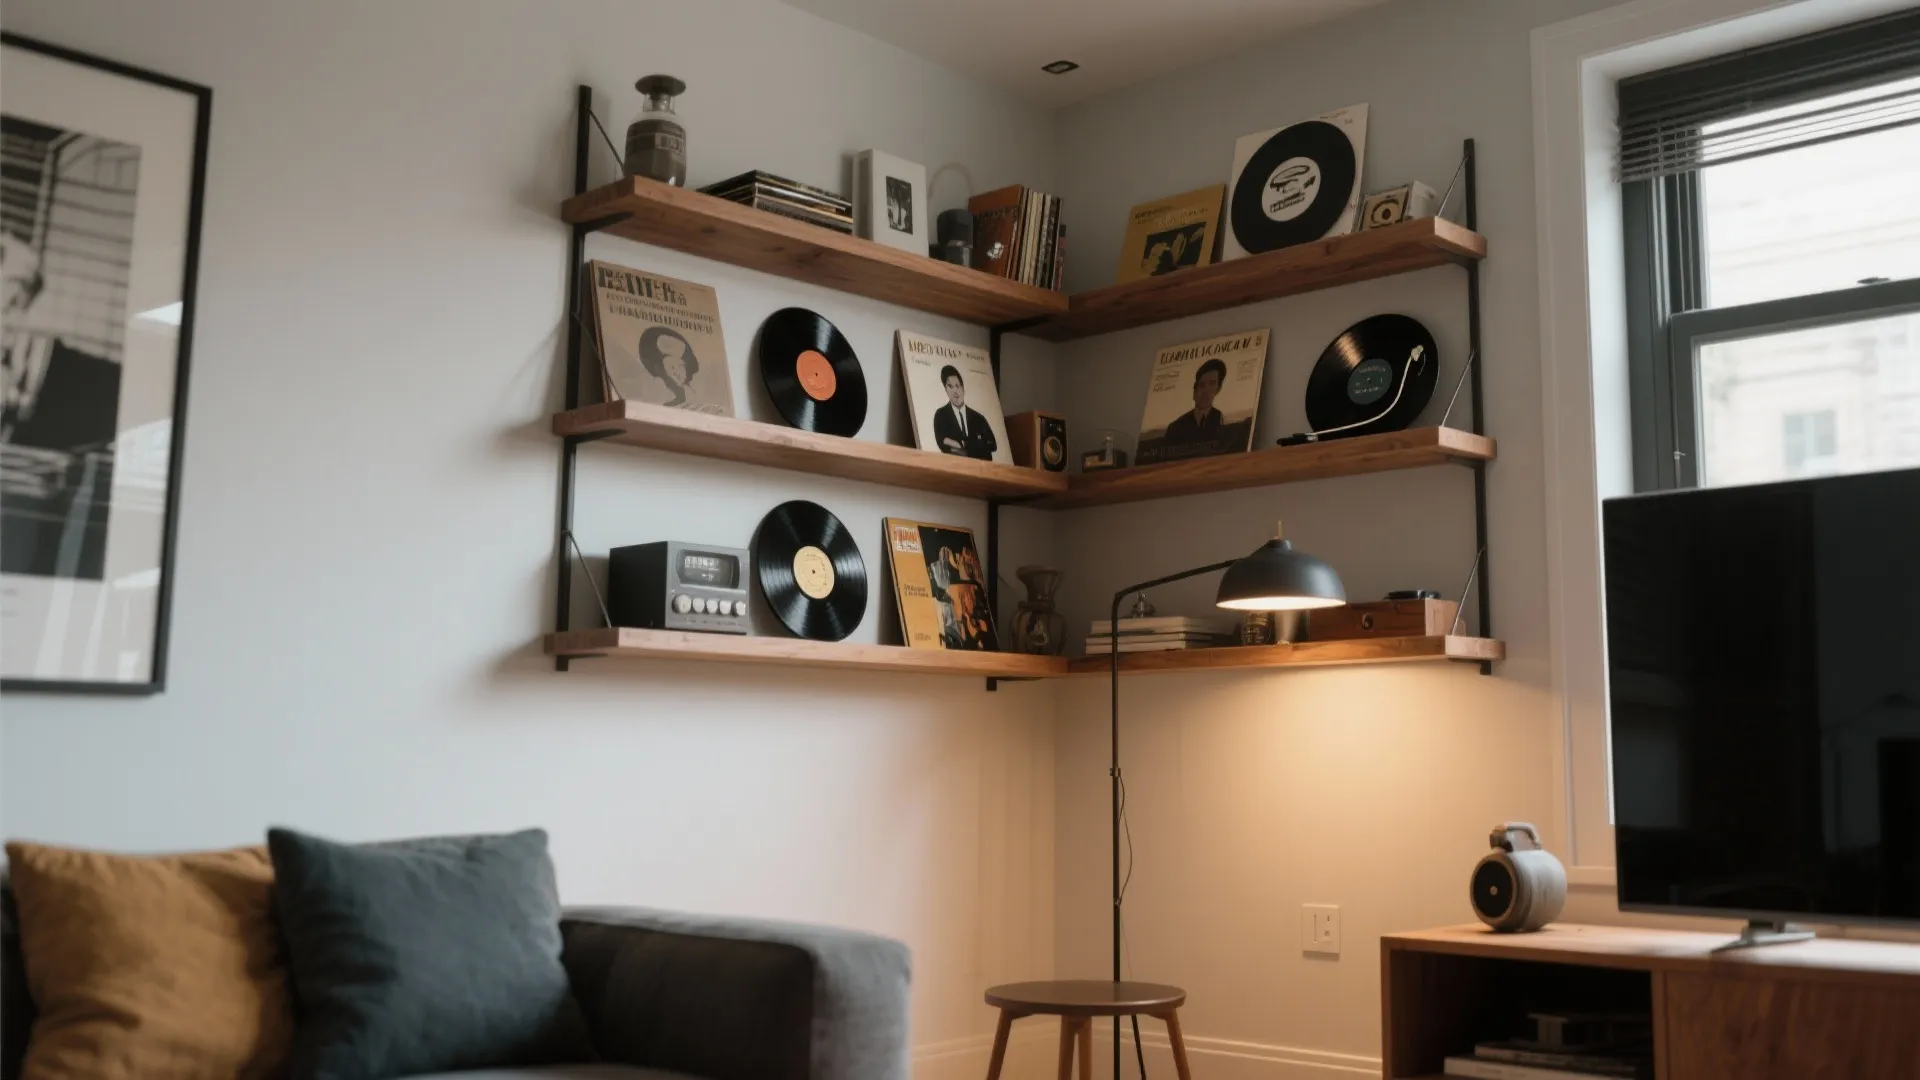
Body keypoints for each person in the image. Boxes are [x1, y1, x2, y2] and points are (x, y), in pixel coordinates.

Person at [931, 364, 997, 460]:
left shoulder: (978, 418)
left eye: (957, 386)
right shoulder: (941, 415)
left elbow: (992, 445)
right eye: (950, 386)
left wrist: (963, 444)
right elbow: (942, 443)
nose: (955, 391)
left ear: (963, 388)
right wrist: (978, 444)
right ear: (945, 389)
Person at [1160, 357, 1226, 447]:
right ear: (1194, 392)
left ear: (1218, 388)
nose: (1206, 390)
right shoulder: (1175, 428)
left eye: (1212, 384)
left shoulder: (1218, 416)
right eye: (1202, 385)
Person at [637, 326, 701, 408]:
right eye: (671, 367)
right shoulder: (660, 392)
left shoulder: (694, 396)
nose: (676, 372)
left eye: (680, 366)